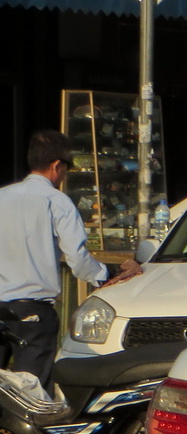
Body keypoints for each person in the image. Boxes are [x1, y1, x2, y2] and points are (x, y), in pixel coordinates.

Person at [0, 129, 142, 390]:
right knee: (31, 392)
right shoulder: (57, 201)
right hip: (33, 313)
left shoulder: (3, 196)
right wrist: (105, 275)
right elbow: (77, 258)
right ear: (57, 166)